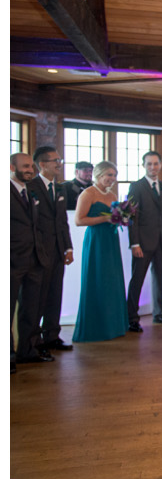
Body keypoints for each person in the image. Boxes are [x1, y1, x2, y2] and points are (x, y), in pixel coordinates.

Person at [71, 161, 130, 344]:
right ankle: (95, 327)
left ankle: (113, 326)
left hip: (111, 240)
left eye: (114, 175)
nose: (112, 179)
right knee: (97, 279)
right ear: (98, 174)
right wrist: (106, 218)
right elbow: (79, 220)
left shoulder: (112, 194)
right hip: (96, 240)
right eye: (109, 175)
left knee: (111, 280)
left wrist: (122, 219)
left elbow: (117, 217)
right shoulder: (88, 193)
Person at [126, 151, 162, 331]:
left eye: (156, 164)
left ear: (160, 165)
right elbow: (132, 218)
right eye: (149, 164)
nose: (153, 167)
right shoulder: (136, 187)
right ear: (143, 166)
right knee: (137, 279)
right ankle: (131, 318)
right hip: (142, 243)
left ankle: (160, 314)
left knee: (160, 279)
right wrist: (134, 243)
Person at [12, 153, 55, 366]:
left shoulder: (30, 191)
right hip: (12, 260)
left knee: (31, 308)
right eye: (25, 166)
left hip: (35, 259)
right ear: (12, 167)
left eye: (31, 166)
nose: (30, 169)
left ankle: (27, 351)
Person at [31, 147, 75, 352]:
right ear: (42, 164)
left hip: (58, 250)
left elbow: (62, 221)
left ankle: (52, 335)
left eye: (60, 160)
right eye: (55, 160)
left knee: (55, 294)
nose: (59, 164)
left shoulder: (60, 188)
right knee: (37, 297)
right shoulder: (31, 187)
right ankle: (33, 340)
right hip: (38, 251)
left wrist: (68, 246)